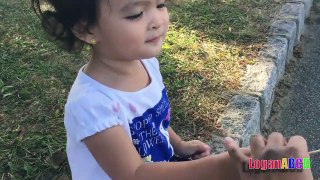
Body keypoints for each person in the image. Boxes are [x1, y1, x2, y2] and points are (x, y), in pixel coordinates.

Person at [31, 0, 313, 179]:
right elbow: (134, 173)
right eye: (136, 13)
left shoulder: (146, 64)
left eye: (161, 4)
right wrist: (222, 168)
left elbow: (155, 118)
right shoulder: (92, 104)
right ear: (85, 29)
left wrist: (177, 144)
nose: (157, 20)